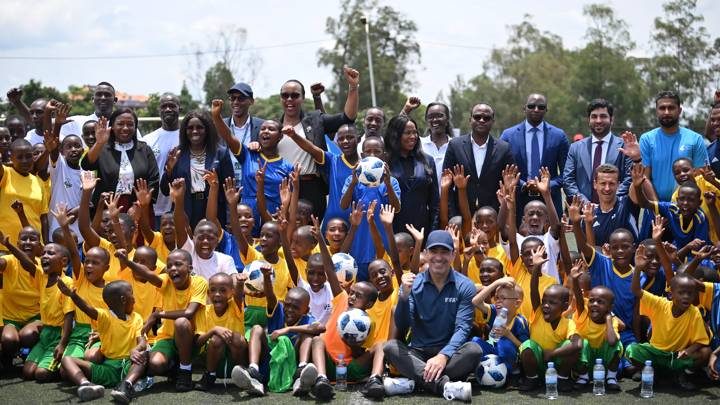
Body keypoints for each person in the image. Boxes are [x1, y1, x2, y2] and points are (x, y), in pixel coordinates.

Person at [384, 230, 483, 402]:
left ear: (453, 255)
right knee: (390, 347)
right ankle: (444, 385)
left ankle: (414, 382)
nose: (439, 257)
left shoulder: (465, 285)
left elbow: (463, 328)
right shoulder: (412, 284)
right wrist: (404, 297)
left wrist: (443, 356)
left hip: (450, 354)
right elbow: (402, 323)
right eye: (434, 251)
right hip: (418, 352)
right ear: (426, 254)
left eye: (444, 252)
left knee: (474, 351)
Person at [278, 67, 359, 220]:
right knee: (285, 235)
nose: (289, 99)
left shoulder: (315, 120)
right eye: (285, 95)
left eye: (295, 95)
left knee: (311, 236)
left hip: (312, 187)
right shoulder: (273, 127)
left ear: (302, 98)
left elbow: (347, 118)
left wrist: (353, 87)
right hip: (284, 187)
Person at [627, 245, 712, 390]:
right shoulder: (659, 303)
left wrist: (689, 350)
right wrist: (638, 270)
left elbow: (701, 341)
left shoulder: (694, 312)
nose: (686, 297)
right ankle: (654, 372)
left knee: (705, 353)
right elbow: (635, 290)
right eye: (681, 293)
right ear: (671, 294)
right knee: (631, 350)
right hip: (655, 352)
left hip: (677, 356)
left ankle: (679, 374)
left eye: (690, 293)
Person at [57, 279, 147, 404]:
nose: (134, 298)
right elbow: (88, 309)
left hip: (128, 365)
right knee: (66, 359)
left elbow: (142, 341)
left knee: (144, 354)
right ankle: (87, 385)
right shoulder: (105, 316)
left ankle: (126, 385)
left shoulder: (136, 317)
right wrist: (73, 295)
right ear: (123, 299)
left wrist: (135, 349)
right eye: (132, 293)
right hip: (108, 367)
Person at [620, 91, 708, 202]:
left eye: (671, 108)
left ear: (679, 110)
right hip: (655, 209)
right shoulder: (647, 139)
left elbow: (701, 179)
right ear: (656, 111)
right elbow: (644, 178)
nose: (666, 112)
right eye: (662, 108)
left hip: (687, 208)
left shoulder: (695, 139)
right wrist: (659, 208)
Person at [517, 245, 581, 392]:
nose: (545, 305)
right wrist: (536, 268)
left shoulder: (568, 323)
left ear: (565, 307)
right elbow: (534, 290)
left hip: (556, 362)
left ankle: (562, 378)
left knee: (570, 346)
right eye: (544, 301)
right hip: (538, 362)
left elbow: (577, 344)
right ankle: (532, 378)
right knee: (528, 346)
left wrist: (552, 354)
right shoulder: (538, 313)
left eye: (552, 303)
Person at [161, 108, 234, 229]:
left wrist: (229, 218)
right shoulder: (176, 154)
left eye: (199, 127)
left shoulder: (220, 153)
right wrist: (168, 171)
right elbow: (165, 190)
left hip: (213, 210)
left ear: (207, 129)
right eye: (190, 128)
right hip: (186, 209)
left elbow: (229, 189)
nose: (194, 131)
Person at [500, 93, 569, 219]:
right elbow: (503, 170)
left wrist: (547, 185)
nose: (536, 109)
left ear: (546, 110)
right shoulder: (508, 135)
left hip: (550, 203)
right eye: (531, 106)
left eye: (541, 107)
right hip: (517, 201)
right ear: (524, 108)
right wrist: (523, 184)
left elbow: (567, 173)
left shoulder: (559, 136)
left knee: (552, 239)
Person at [81, 109, 159, 211]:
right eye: (120, 124)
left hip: (139, 208)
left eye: (130, 124)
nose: (125, 128)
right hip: (105, 209)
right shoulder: (101, 149)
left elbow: (154, 180)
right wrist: (99, 143)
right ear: (112, 126)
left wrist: (138, 206)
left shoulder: (144, 149)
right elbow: (87, 165)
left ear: (135, 127)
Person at [443, 103, 514, 215]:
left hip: (492, 215)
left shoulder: (504, 148)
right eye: (477, 117)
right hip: (461, 215)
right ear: (470, 119)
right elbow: (447, 184)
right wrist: (453, 215)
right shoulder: (455, 145)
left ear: (493, 122)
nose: (481, 120)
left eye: (486, 118)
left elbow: (510, 184)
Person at [563, 99, 632, 204]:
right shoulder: (575, 148)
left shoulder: (624, 146)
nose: (598, 120)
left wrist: (608, 203)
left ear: (611, 119)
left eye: (603, 116)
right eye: (594, 116)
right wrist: (586, 205)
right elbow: (568, 181)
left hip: (616, 213)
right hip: (583, 213)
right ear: (588, 120)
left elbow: (629, 179)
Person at [568, 260, 622, 392]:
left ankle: (610, 378)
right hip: (586, 361)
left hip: (601, 364)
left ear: (610, 308)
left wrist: (609, 319)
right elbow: (580, 299)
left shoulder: (611, 320)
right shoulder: (584, 311)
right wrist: (575, 280)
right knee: (582, 343)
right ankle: (583, 377)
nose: (594, 304)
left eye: (600, 302)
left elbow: (611, 341)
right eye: (592, 300)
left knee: (617, 345)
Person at [384, 114, 439, 238]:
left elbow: (435, 203)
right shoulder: (385, 162)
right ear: (396, 135)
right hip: (392, 230)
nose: (413, 136)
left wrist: (432, 233)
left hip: (421, 231)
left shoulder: (427, 161)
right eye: (407, 133)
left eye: (415, 132)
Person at [0, 139, 49, 245]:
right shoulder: (5, 174)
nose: (25, 161)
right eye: (19, 157)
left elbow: (43, 217)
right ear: (11, 158)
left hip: (33, 247)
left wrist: (45, 244)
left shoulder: (38, 181)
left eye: (28, 156)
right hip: (5, 245)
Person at [142, 93, 180, 225]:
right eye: (164, 106)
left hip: (179, 207)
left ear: (179, 108)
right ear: (159, 110)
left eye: (172, 106)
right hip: (153, 207)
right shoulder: (148, 140)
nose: (168, 109)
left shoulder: (187, 137)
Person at [578, 164, 639, 246]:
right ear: (595, 184)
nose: (607, 188)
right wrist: (582, 224)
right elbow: (589, 253)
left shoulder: (626, 205)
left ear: (618, 185)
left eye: (611, 184)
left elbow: (636, 187)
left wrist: (636, 161)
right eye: (603, 183)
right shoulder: (589, 215)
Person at [60, 82, 141, 141]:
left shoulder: (126, 127)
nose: (103, 98)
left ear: (115, 100)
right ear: (92, 99)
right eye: (99, 94)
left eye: (107, 95)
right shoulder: (76, 122)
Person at [222, 82, 265, 184]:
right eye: (232, 98)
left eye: (241, 98)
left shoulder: (262, 126)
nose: (236, 102)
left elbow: (270, 152)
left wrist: (260, 147)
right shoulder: (220, 126)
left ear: (251, 101)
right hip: (227, 186)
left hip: (253, 185)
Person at [421, 102, 453, 187]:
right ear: (426, 120)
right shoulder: (419, 144)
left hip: (450, 198)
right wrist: (406, 110)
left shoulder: (456, 146)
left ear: (447, 119)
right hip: (425, 199)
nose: (435, 120)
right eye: (430, 117)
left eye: (439, 116)